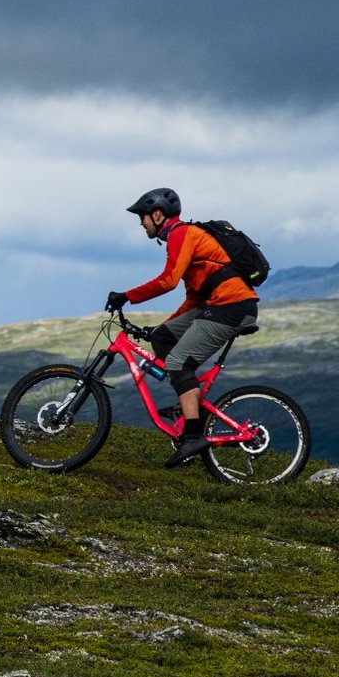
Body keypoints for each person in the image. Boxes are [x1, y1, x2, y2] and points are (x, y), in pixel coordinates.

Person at [106, 187, 260, 468]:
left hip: (232, 306)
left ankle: (192, 435)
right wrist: (161, 328)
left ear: (157, 214)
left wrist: (127, 296)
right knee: (164, 338)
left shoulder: (181, 234)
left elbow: (168, 281)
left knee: (177, 363)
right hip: (217, 304)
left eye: (142, 217)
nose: (141, 224)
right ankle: (189, 405)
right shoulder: (184, 238)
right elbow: (193, 300)